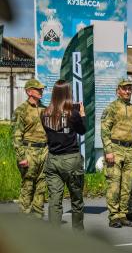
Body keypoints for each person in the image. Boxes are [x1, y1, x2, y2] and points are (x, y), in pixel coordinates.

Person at [41, 80, 86, 231]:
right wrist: (82, 114)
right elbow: (82, 130)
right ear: (67, 93)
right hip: (70, 159)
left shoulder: (45, 113)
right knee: (76, 200)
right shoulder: (72, 114)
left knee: (54, 199)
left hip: (52, 160)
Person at [101, 78, 132, 228]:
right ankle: (114, 216)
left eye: (129, 89)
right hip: (115, 149)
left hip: (131, 150)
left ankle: (123, 214)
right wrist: (108, 151)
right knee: (114, 184)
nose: (127, 91)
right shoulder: (112, 108)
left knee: (127, 184)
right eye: (124, 88)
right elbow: (105, 130)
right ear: (118, 90)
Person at [12, 78, 47, 219]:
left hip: (44, 151)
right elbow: (16, 136)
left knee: (41, 184)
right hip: (29, 151)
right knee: (28, 184)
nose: (41, 91)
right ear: (29, 92)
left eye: (41, 89)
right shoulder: (21, 110)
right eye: (38, 89)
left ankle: (37, 215)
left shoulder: (45, 109)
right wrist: (21, 157)